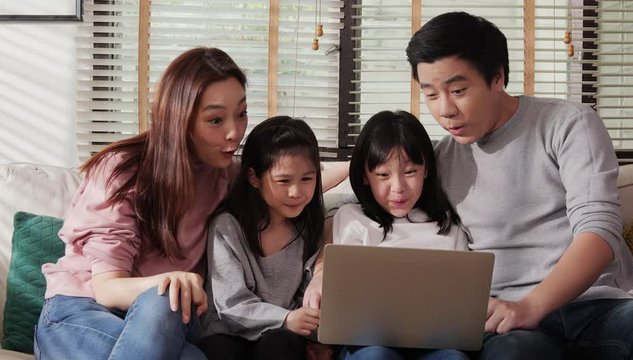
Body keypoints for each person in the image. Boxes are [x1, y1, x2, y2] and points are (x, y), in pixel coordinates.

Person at [405, 11, 633, 360]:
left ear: (497, 77)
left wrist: (533, 305)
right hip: (510, 324)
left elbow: (599, 231)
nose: (445, 110)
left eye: (458, 90)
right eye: (431, 95)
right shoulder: (439, 160)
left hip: (600, 307)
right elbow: (379, 201)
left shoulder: (568, 124)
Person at [35, 47, 248, 360]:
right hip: (81, 311)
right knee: (170, 307)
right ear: (180, 120)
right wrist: (171, 279)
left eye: (241, 113)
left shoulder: (225, 173)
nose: (235, 132)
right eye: (216, 120)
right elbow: (108, 288)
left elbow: (291, 183)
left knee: (170, 310)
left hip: (163, 322)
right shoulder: (122, 170)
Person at [334, 110, 469, 360]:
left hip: (436, 343)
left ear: (426, 170)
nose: (398, 188)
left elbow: (462, 303)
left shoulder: (449, 226)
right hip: (369, 342)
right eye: (383, 175)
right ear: (365, 176)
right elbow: (347, 301)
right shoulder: (351, 219)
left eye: (409, 172)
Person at [199, 116, 327, 360]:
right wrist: (285, 318)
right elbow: (231, 305)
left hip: (282, 335)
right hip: (228, 331)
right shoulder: (227, 227)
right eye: (284, 181)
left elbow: (307, 297)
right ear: (254, 177)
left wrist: (312, 334)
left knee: (280, 344)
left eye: (307, 179)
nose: (296, 192)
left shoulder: (310, 228)